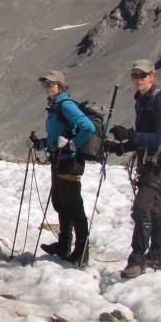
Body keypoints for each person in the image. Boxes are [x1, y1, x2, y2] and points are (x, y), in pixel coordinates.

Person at [104, 59, 161, 279]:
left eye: (142, 75)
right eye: (134, 75)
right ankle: (157, 255)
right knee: (154, 208)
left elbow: (159, 136)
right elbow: (142, 138)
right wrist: (120, 147)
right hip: (151, 161)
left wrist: (129, 134)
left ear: (153, 76)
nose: (138, 80)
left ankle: (137, 260)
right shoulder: (141, 101)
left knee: (141, 207)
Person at [28, 70, 95, 265]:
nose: (47, 87)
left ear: (60, 86)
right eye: (45, 84)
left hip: (70, 162)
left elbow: (87, 127)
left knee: (73, 205)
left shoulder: (66, 106)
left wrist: (72, 144)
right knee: (60, 202)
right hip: (60, 160)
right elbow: (57, 136)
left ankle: (82, 251)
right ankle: (64, 245)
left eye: (51, 84)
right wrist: (41, 143)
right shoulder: (56, 106)